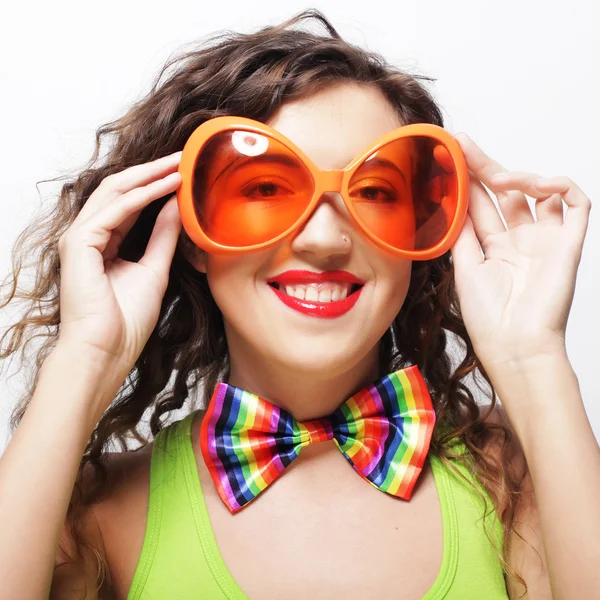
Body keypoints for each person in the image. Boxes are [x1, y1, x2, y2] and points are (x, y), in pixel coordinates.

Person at [0, 8, 598, 600]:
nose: (324, 240)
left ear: (418, 238)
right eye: (263, 188)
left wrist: (532, 359)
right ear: (191, 233)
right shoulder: (97, 514)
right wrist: (83, 355)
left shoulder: (515, 481)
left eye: (373, 191)